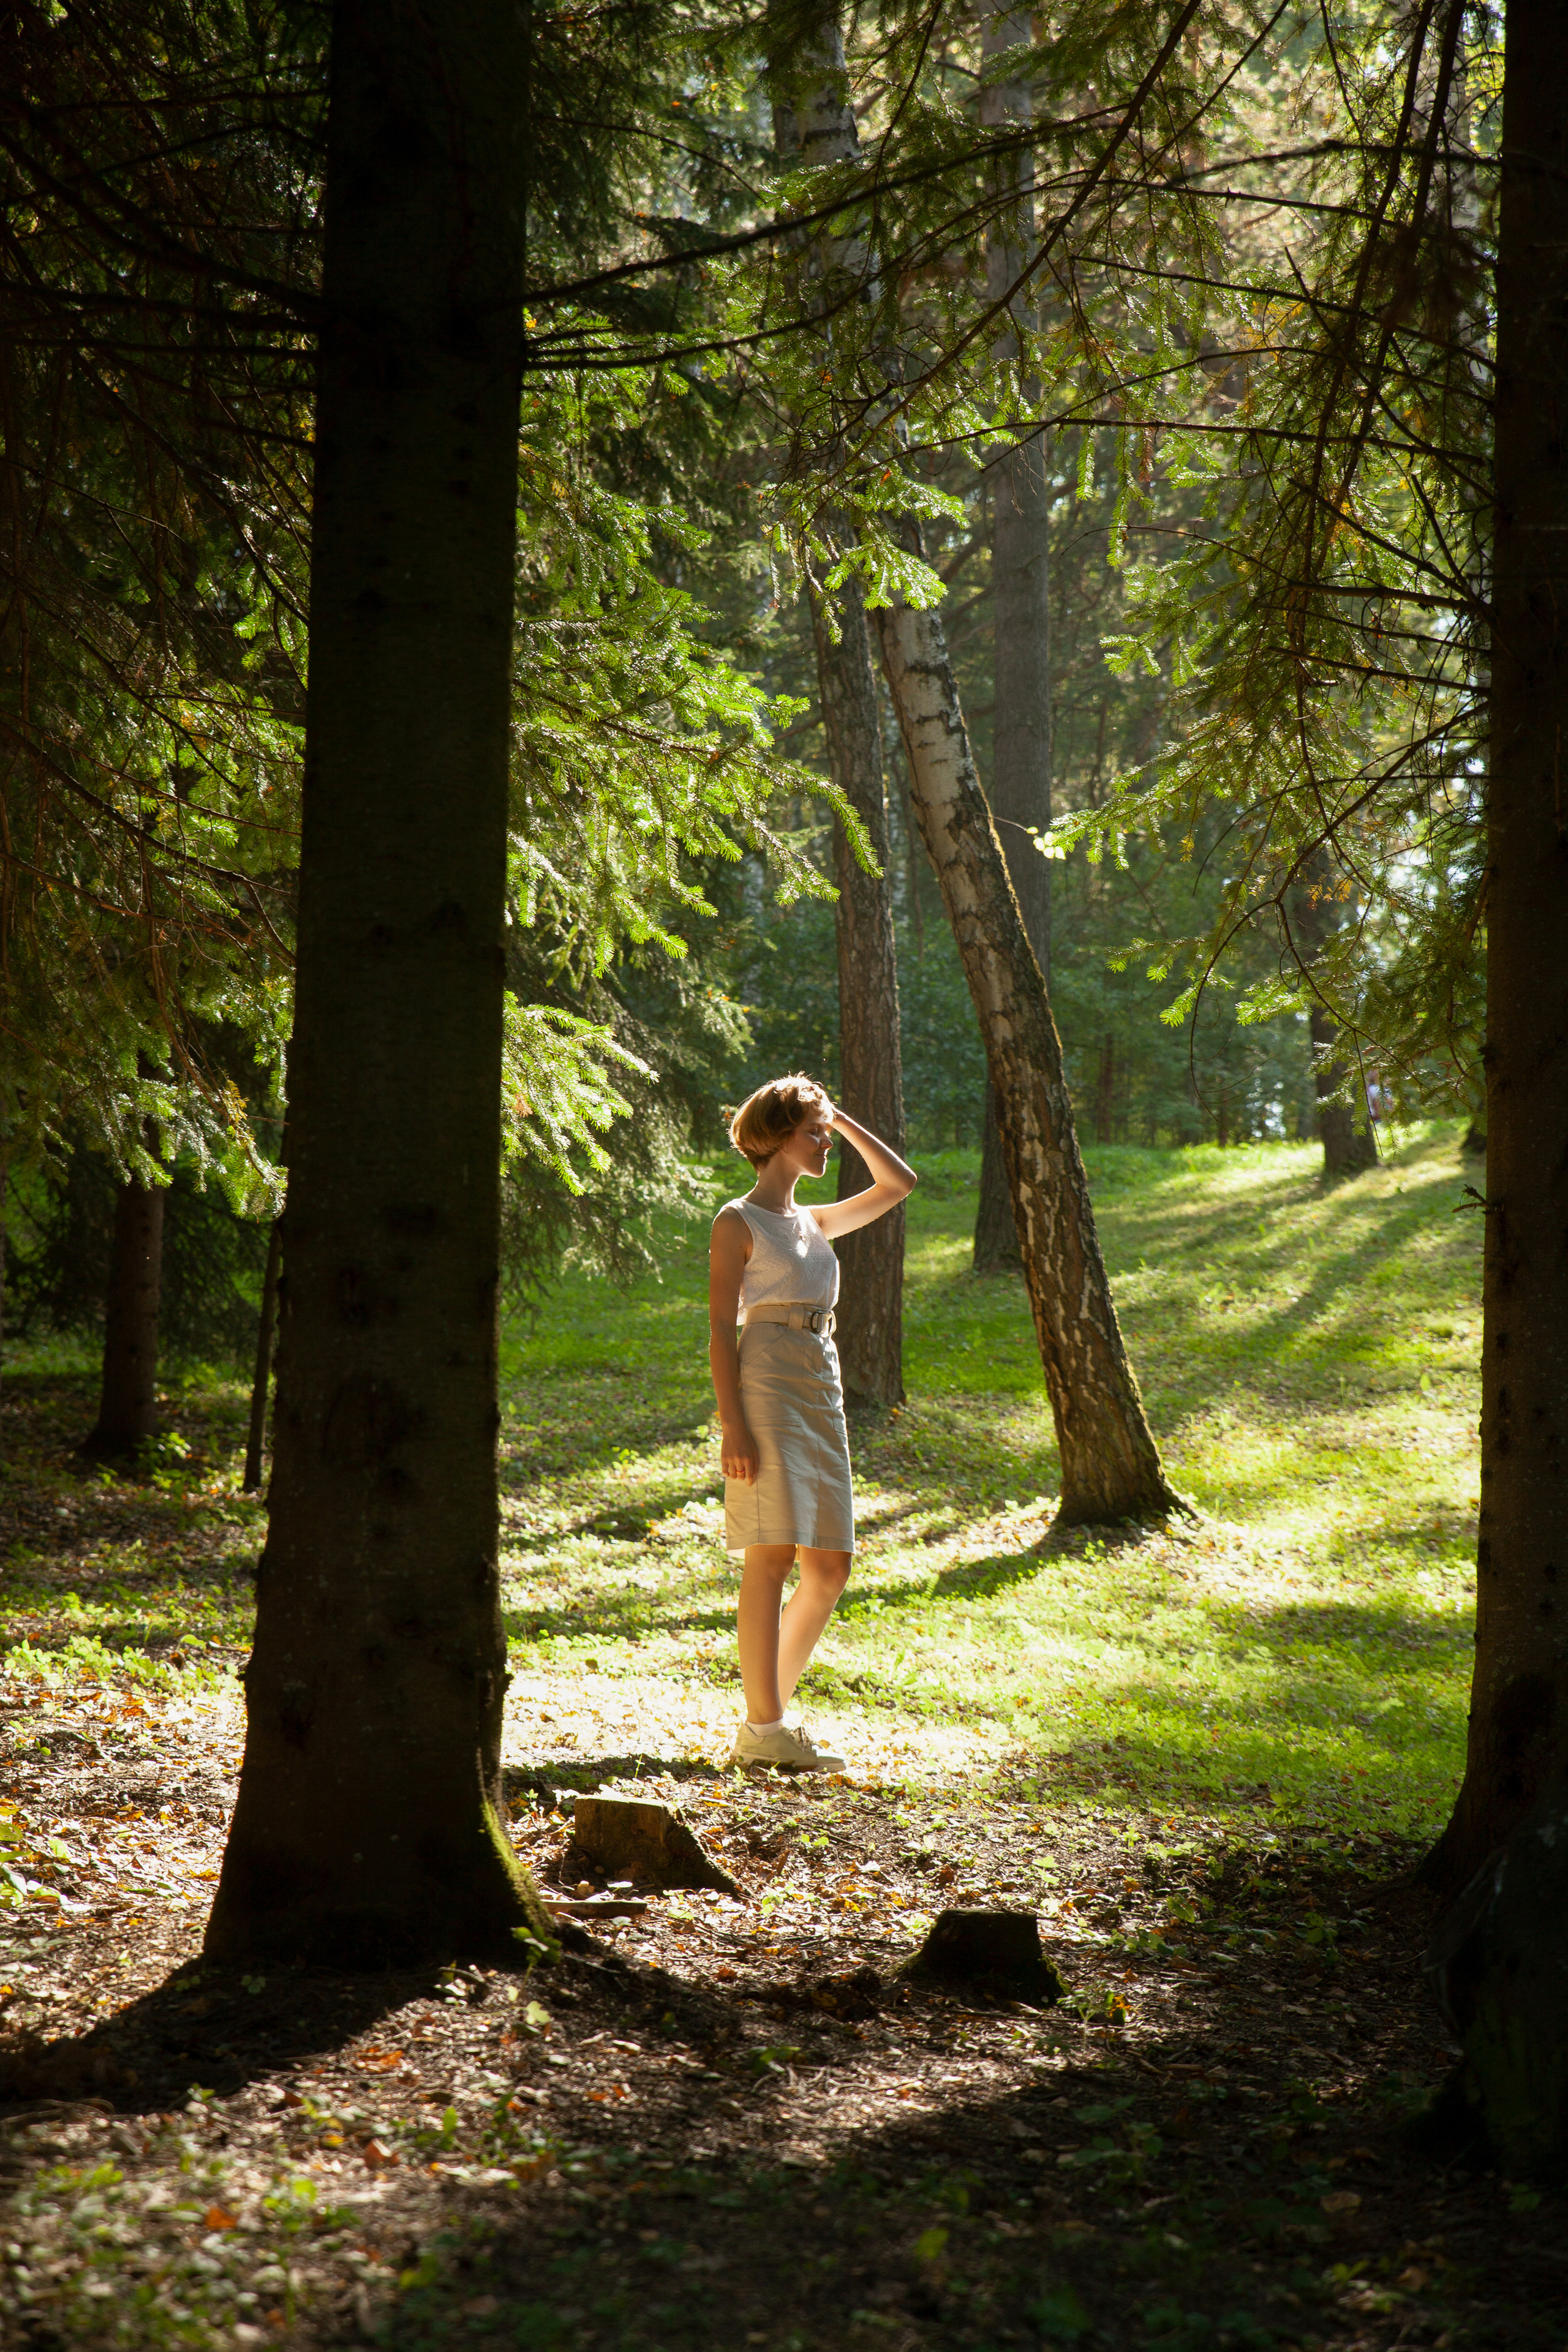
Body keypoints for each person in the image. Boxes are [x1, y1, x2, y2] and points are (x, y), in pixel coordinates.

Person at [708, 1072, 917, 1771]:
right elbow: (716, 1332)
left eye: (825, 1132)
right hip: (765, 1376)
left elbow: (898, 1184)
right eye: (812, 1132)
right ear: (773, 1138)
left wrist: (842, 1116)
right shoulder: (737, 1221)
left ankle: (767, 1721)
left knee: (829, 1565)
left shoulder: (814, 1220)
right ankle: (765, 1731)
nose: (825, 1143)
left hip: (819, 1378)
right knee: (771, 1553)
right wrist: (731, 1425)